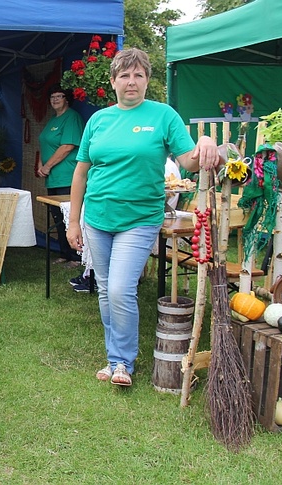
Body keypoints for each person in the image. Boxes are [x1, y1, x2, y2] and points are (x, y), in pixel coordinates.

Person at [66, 48, 221, 387]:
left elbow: (189, 161)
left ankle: (123, 361)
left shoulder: (163, 115)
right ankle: (114, 359)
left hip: (139, 219)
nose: (131, 82)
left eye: (138, 75)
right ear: (113, 82)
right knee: (106, 290)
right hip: (97, 217)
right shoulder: (98, 120)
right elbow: (80, 173)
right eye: (124, 75)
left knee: (121, 289)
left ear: (147, 80)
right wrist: (74, 221)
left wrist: (206, 140)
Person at [37, 84, 85, 270]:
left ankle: (77, 256)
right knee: (57, 217)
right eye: (52, 97)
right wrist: (41, 165)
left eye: (59, 96)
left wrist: (48, 166)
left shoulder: (72, 117)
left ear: (67, 99)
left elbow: (67, 146)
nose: (55, 100)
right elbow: (45, 143)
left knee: (71, 217)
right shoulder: (52, 120)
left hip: (68, 176)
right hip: (53, 177)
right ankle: (65, 253)